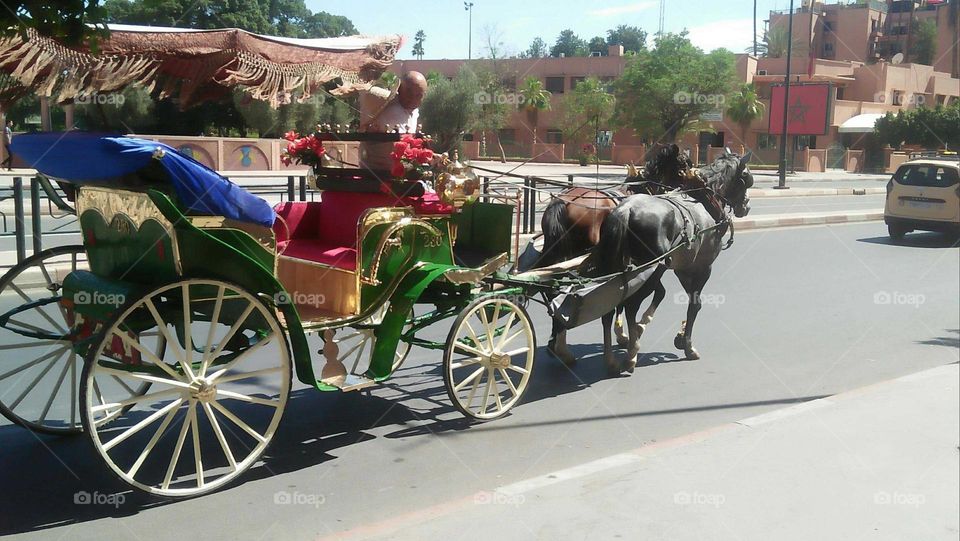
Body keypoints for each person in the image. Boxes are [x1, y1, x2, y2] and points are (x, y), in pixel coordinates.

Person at [358, 71, 428, 172]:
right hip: (374, 172)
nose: (413, 98)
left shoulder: (415, 112)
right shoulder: (387, 108)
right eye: (409, 92)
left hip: (401, 174)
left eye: (418, 95)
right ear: (400, 89)